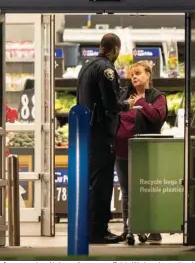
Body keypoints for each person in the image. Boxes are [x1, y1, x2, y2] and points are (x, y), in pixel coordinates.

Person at [77, 33, 133, 244]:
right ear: (115, 49)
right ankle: (99, 231)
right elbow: (111, 104)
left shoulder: (87, 66)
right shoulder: (107, 69)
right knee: (101, 184)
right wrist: (127, 104)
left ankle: (90, 228)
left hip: (87, 133)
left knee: (92, 182)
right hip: (101, 134)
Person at [115, 61, 168, 242]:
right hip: (122, 151)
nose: (134, 77)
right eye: (132, 74)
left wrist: (142, 102)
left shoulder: (157, 97)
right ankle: (127, 229)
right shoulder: (124, 95)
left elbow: (157, 117)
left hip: (145, 151)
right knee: (127, 192)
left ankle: (151, 228)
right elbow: (115, 116)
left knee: (146, 190)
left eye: (138, 73)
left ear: (148, 75)